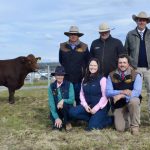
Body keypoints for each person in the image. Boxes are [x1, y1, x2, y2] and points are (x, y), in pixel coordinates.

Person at [69, 58, 113, 131]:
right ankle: (93, 119)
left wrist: (96, 108)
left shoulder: (103, 79)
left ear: (98, 67)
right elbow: (81, 94)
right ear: (88, 66)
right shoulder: (84, 79)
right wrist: (86, 106)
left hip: (100, 107)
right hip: (88, 106)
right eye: (91, 65)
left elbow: (105, 97)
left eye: (95, 65)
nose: (92, 67)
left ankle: (109, 119)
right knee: (72, 112)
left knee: (91, 128)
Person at [106, 54, 142, 135]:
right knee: (120, 129)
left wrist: (122, 96)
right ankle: (128, 117)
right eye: (120, 62)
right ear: (117, 64)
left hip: (130, 102)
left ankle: (135, 127)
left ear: (128, 63)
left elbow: (137, 92)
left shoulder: (136, 75)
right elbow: (108, 92)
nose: (122, 64)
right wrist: (122, 91)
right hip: (119, 105)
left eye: (124, 62)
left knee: (135, 100)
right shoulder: (111, 75)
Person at [124, 11, 150, 117]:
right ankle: (135, 119)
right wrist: (129, 65)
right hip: (134, 69)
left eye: (144, 20)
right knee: (135, 93)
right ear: (137, 21)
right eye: (140, 20)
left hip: (149, 69)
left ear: (147, 22)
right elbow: (125, 51)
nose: (142, 22)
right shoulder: (130, 34)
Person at [59, 25, 90, 105]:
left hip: (79, 79)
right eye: (71, 34)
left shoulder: (84, 46)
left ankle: (80, 116)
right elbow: (61, 61)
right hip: (66, 79)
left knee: (80, 99)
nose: (73, 36)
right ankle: (67, 116)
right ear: (69, 35)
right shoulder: (62, 46)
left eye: (75, 34)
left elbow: (88, 61)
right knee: (66, 99)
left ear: (78, 35)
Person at [48, 66, 75, 131]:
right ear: (55, 76)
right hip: (57, 110)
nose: (59, 77)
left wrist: (63, 101)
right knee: (57, 127)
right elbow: (51, 103)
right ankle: (58, 122)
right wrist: (56, 118)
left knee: (65, 104)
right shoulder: (51, 87)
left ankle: (67, 122)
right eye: (58, 75)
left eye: (61, 75)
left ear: (64, 76)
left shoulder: (69, 84)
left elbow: (72, 100)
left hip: (67, 109)